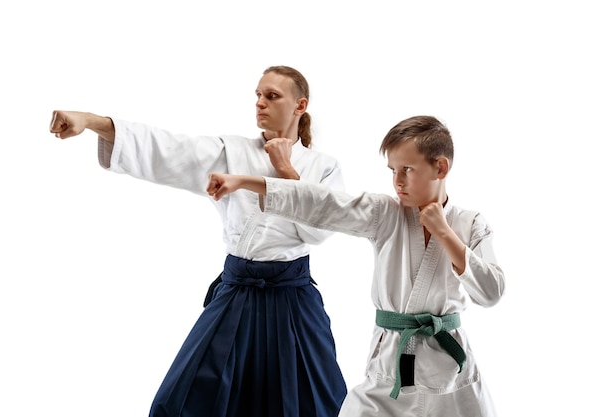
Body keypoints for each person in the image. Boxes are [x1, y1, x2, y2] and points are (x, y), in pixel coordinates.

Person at [48, 66, 348, 417]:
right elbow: (170, 150)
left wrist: (286, 171)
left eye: (271, 96)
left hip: (293, 298)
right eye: (257, 95)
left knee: (310, 399)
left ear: (300, 105)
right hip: (237, 292)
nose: (260, 103)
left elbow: (321, 230)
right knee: (185, 397)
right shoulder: (230, 152)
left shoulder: (323, 166)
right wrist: (92, 121)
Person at [206, 115, 506, 417]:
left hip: (451, 373)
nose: (397, 181)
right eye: (393, 170)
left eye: (407, 170)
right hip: (390, 368)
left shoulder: (470, 224)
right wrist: (245, 182)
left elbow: (491, 292)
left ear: (440, 167)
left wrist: (445, 233)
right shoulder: (385, 213)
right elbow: (325, 204)